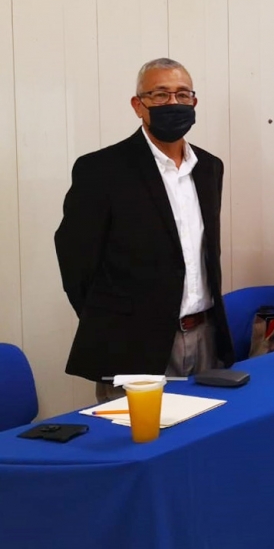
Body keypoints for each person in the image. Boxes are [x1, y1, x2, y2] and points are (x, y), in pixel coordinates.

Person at [55, 58, 234, 402]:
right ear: (138, 106)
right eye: (160, 94)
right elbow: (76, 261)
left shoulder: (209, 167)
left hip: (205, 336)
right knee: (139, 434)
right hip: (132, 343)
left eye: (182, 95)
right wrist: (113, 319)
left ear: (194, 103)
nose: (173, 103)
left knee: (207, 431)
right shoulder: (102, 170)